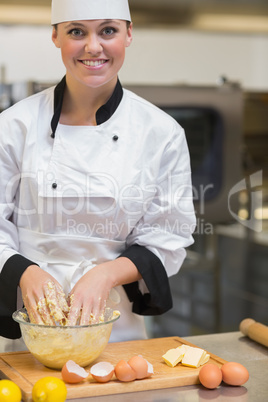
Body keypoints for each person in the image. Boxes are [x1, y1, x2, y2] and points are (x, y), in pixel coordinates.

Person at [0, 0, 196, 343]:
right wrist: (27, 272)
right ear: (55, 36)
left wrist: (103, 275)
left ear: (129, 34)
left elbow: (169, 237)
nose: (93, 47)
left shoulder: (161, 133)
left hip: (113, 325)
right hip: (30, 325)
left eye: (108, 30)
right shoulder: (14, 126)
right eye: (77, 31)